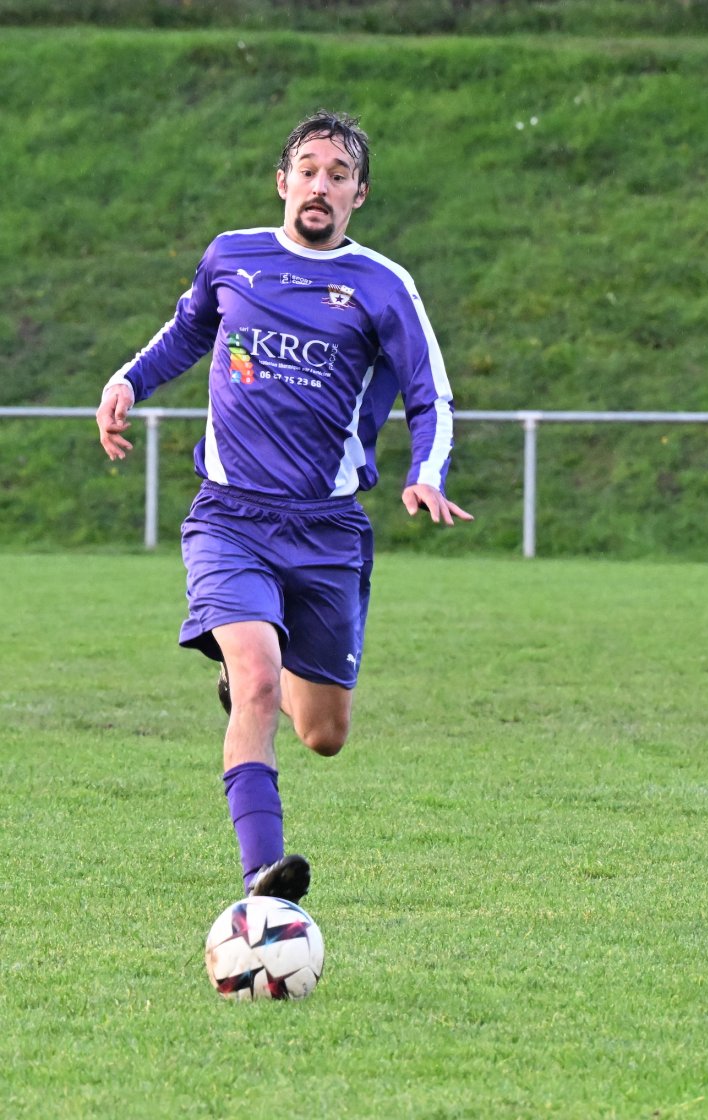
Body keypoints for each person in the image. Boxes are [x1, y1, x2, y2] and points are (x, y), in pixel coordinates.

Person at [95, 110, 472, 905]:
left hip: (328, 530)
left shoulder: (382, 285)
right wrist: (127, 381)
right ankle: (264, 888)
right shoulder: (233, 257)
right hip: (229, 517)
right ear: (282, 182)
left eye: (339, 175)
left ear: (359, 195)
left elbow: (429, 393)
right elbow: (186, 332)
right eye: (308, 171)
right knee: (259, 678)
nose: (320, 186)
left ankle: (252, 680)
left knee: (323, 734)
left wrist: (427, 472)